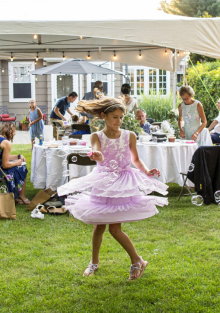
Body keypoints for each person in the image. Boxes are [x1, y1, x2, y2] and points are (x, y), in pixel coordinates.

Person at [57, 97, 167, 280]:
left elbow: (135, 160)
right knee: (98, 226)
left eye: (121, 117)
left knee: (114, 229)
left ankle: (137, 260)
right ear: (104, 116)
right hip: (104, 182)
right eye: (115, 117)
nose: (118, 121)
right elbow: (97, 154)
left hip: (122, 184)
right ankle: (94, 263)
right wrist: (97, 155)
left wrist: (147, 171)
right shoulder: (96, 136)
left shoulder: (129, 135)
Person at [0, 123, 30, 204]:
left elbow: (1, 157)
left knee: (16, 166)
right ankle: (22, 198)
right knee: (22, 168)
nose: (13, 136)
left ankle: (13, 195)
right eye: (13, 134)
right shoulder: (6, 142)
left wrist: (18, 156)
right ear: (11, 132)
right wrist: (17, 163)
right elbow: (5, 165)